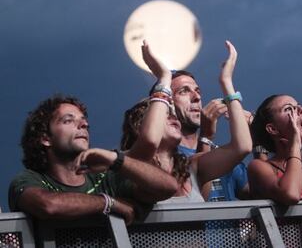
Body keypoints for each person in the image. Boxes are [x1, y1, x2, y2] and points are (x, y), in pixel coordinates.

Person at [8, 95, 178, 224]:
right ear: (46, 139)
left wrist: (115, 159)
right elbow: (49, 205)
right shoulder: (30, 179)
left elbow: (167, 187)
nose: (83, 125)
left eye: (84, 122)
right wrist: (108, 203)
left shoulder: (106, 176)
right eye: (68, 120)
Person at [120, 40, 252, 203]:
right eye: (184, 91)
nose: (197, 97)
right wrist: (164, 81)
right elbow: (149, 141)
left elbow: (243, 149)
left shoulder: (190, 164)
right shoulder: (135, 162)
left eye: (197, 91)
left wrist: (226, 82)